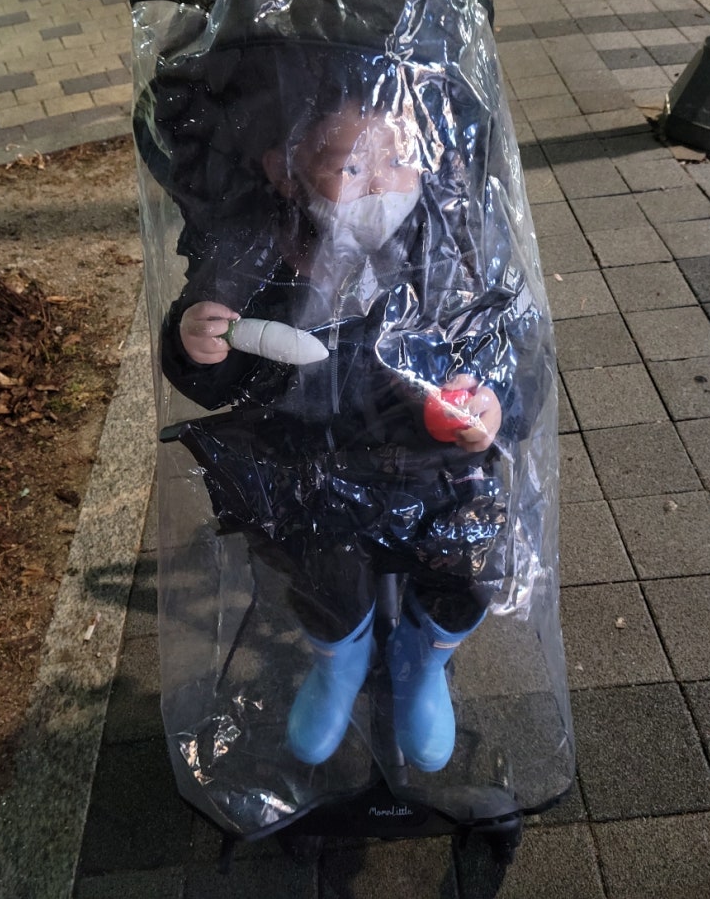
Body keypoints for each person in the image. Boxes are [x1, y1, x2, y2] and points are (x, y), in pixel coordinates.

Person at [156, 48, 549, 776]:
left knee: (472, 557)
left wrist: (496, 398)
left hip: (433, 455)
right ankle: (340, 656)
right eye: (352, 166)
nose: (380, 185)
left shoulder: (453, 244)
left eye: (399, 161)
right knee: (324, 572)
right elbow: (221, 370)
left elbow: (511, 340)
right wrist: (198, 343)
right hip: (313, 456)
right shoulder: (256, 253)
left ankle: (424, 656)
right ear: (286, 170)